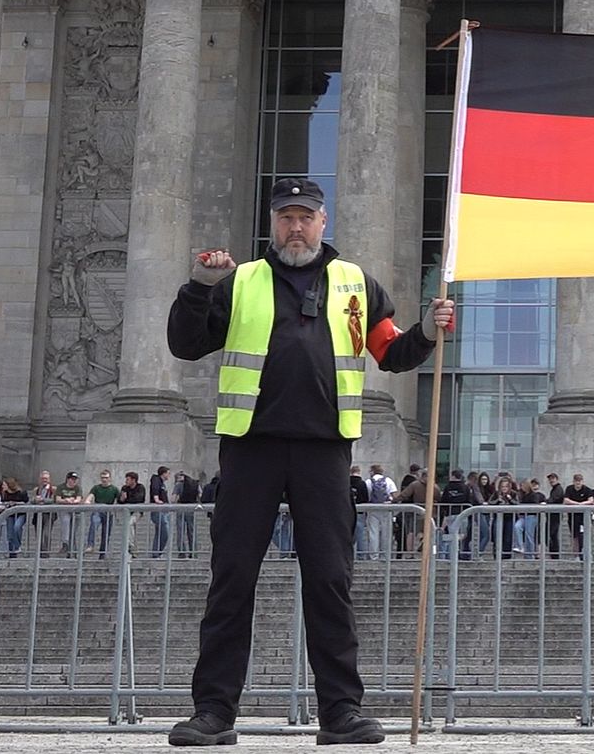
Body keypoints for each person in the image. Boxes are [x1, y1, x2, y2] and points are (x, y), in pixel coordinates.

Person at [165, 176, 453, 746]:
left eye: (305, 217)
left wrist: (426, 330)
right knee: (231, 581)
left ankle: (341, 712)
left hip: (325, 450)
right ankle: (214, 712)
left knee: (330, 582)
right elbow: (185, 344)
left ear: (323, 222)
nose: (295, 227)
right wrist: (199, 286)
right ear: (273, 223)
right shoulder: (241, 280)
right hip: (251, 446)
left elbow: (390, 351)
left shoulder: (356, 283)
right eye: (286, 217)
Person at [87, 470, 121, 558]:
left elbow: (120, 500)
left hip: (109, 512)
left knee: (106, 534)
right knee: (94, 524)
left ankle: (102, 553)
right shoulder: (96, 488)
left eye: (106, 478)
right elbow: (90, 496)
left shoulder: (114, 489)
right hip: (98, 510)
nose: (104, 480)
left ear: (110, 478)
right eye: (102, 478)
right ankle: (90, 545)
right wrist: (87, 501)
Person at [0, 476, 29, 557]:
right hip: (10, 515)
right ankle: (12, 552)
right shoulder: (4, 494)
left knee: (17, 527)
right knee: (10, 534)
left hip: (20, 514)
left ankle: (17, 546)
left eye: (4, 485)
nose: (2, 486)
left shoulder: (21, 492)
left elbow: (26, 502)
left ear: (9, 485)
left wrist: (15, 503)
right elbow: (3, 503)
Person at [175, 472, 201, 558]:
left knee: (180, 531)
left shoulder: (178, 485)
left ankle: (182, 552)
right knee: (192, 531)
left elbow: (173, 498)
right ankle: (193, 552)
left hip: (181, 508)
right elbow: (200, 495)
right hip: (192, 508)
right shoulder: (195, 484)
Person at [149, 466, 172, 558]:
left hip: (164, 510)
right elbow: (154, 488)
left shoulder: (162, 483)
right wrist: (156, 499)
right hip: (159, 510)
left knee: (159, 533)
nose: (169, 475)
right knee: (164, 532)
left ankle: (156, 553)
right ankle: (157, 552)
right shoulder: (156, 479)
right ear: (164, 473)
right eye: (168, 473)